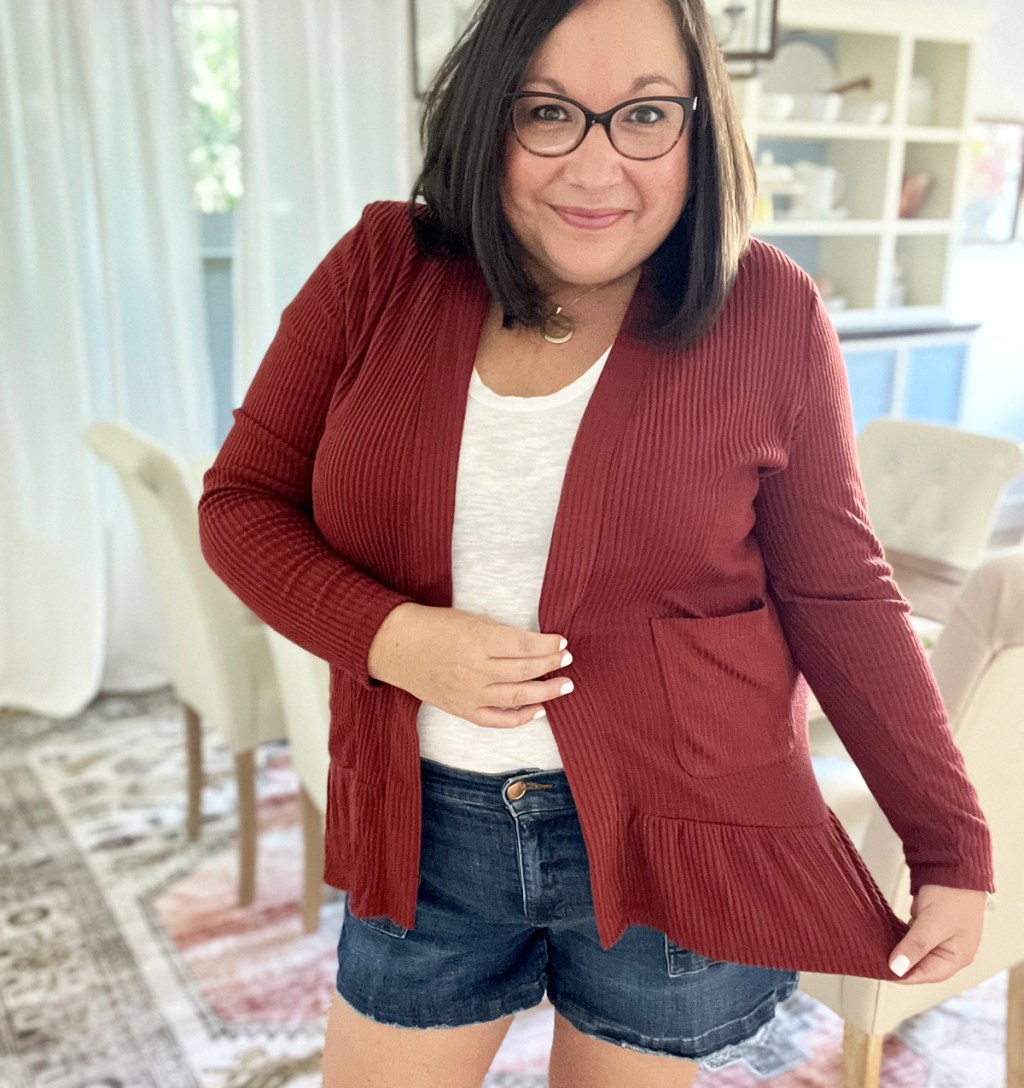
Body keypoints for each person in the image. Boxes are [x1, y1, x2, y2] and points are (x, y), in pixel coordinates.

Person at [198, 0, 994, 1084]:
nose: (596, 164)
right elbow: (241, 502)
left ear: (698, 126)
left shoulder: (766, 309)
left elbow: (841, 593)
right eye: (549, 113)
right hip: (426, 829)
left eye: (646, 115)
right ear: (491, 118)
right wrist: (390, 637)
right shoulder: (383, 267)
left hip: (681, 830)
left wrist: (949, 844)